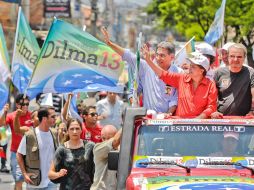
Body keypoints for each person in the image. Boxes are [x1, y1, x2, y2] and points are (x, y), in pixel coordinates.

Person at [101, 27, 182, 115]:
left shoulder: (178, 72)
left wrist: (168, 114)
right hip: (148, 118)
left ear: (172, 57)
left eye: (162, 55)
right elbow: (128, 56)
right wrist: (110, 44)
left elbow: (175, 98)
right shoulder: (146, 66)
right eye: (157, 55)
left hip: (168, 120)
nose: (158, 58)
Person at [142, 45, 217, 118]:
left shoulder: (210, 85)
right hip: (179, 126)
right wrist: (149, 61)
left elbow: (211, 107)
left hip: (199, 127)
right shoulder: (182, 78)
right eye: (190, 65)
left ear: (201, 71)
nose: (190, 68)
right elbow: (163, 74)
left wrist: (198, 119)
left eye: (193, 67)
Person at [16, 106, 58, 190]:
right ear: (44, 118)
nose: (55, 119)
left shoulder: (54, 133)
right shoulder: (30, 135)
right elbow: (19, 154)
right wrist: (24, 174)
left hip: (51, 182)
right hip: (34, 183)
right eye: (53, 116)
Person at [48, 118, 95, 190]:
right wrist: (58, 174)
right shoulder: (62, 149)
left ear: (81, 130)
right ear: (67, 131)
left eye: (77, 128)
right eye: (72, 129)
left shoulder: (90, 146)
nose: (75, 131)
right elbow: (50, 174)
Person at [211, 43, 254, 118]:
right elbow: (212, 95)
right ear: (228, 57)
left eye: (239, 57)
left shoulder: (250, 72)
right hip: (221, 119)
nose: (235, 59)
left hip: (244, 120)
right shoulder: (219, 72)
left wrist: (252, 111)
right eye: (232, 56)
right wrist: (213, 111)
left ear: (244, 57)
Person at [0, 94, 33, 190]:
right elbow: (1, 124)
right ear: (18, 105)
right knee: (17, 179)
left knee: (22, 179)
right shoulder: (12, 115)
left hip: (29, 153)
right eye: (23, 104)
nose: (26, 106)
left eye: (27, 104)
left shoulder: (31, 115)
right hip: (16, 152)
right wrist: (5, 112)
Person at [91, 125, 122, 190]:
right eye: (103, 138)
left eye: (109, 138)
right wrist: (128, 122)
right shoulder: (98, 148)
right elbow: (115, 142)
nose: (105, 141)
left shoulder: (122, 150)